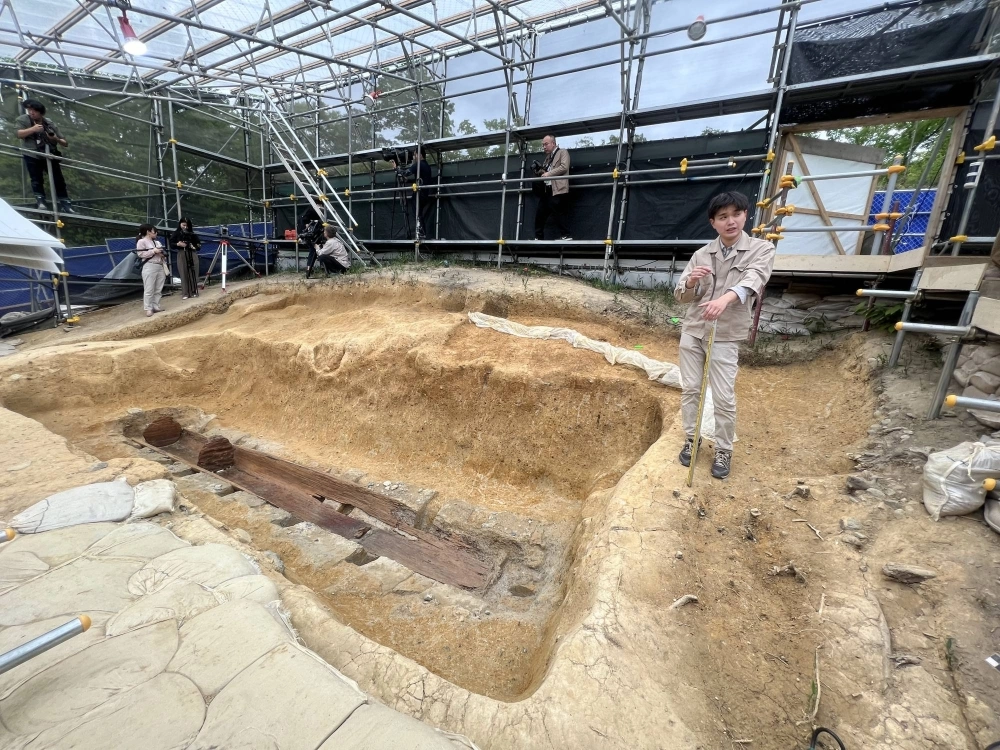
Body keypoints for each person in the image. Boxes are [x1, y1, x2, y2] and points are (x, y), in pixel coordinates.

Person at [674, 191, 775, 480]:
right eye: (723, 217)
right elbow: (681, 296)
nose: (730, 221)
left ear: (745, 216)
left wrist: (725, 299)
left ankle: (724, 449)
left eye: (736, 214)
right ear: (713, 222)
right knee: (691, 389)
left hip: (726, 334)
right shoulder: (701, 254)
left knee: (723, 396)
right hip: (694, 330)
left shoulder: (761, 250)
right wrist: (692, 283)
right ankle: (692, 439)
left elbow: (753, 279)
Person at [14, 99, 73, 213]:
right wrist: (33, 129)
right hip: (32, 153)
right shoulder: (23, 120)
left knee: (58, 180)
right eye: (29, 110)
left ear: (41, 112)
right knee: (36, 179)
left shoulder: (49, 122)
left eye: (34, 110)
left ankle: (66, 204)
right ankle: (40, 201)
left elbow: (65, 142)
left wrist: (55, 138)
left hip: (50, 154)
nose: (31, 112)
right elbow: (18, 134)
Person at [534, 134, 571, 241]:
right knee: (540, 213)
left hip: (558, 189)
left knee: (558, 213)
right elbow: (546, 172)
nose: (544, 147)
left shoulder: (563, 152)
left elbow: (564, 167)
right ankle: (538, 237)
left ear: (553, 143)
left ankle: (566, 235)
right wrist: (540, 171)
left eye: (546, 144)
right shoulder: (547, 158)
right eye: (543, 145)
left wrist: (548, 174)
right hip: (547, 189)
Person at [393, 147, 434, 239]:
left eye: (415, 154)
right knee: (418, 212)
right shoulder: (426, 165)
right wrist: (408, 180)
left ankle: (421, 233)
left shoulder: (419, 164)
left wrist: (396, 169)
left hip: (420, 193)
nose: (414, 157)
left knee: (417, 212)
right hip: (424, 192)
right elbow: (420, 179)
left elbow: (406, 173)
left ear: (420, 155)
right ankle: (421, 232)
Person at [136, 224, 167, 317]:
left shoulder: (157, 242)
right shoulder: (141, 241)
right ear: (148, 232)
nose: (156, 233)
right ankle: (148, 308)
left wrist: (162, 254)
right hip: (149, 265)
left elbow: (162, 254)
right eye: (154, 231)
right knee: (149, 288)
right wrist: (153, 251)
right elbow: (140, 254)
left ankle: (156, 306)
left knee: (158, 288)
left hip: (159, 265)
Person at [170, 218, 201, 300]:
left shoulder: (192, 234)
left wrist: (193, 246)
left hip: (192, 253)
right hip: (182, 254)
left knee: (193, 271)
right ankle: (185, 293)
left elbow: (198, 245)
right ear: (180, 224)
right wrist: (178, 244)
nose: (185, 227)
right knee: (183, 272)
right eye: (183, 225)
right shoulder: (176, 233)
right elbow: (171, 244)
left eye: (187, 225)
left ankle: (194, 291)